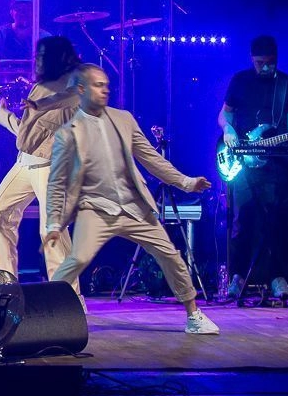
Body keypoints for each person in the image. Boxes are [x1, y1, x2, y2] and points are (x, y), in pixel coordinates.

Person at [43, 65, 219, 334]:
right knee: (77, 259)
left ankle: (193, 315)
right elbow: (56, 182)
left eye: (106, 85)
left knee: (170, 255)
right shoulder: (68, 133)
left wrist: (186, 182)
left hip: (134, 207)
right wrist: (54, 223)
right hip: (96, 208)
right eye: (98, 85)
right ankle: (45, 313)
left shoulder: (123, 119)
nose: (106, 90)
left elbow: (151, 159)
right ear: (81, 89)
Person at [0, 35, 83, 279]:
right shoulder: (44, 86)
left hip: (50, 167)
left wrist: (2, 116)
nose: (36, 60)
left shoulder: (67, 90)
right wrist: (4, 115)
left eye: (41, 56)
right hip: (27, 162)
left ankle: (67, 295)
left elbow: (30, 136)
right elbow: (29, 136)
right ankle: (3, 284)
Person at [220, 35, 288, 303]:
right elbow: (224, 114)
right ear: (252, 59)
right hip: (243, 163)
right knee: (242, 220)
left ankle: (277, 277)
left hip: (275, 164)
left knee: (279, 220)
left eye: (271, 62)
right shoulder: (240, 80)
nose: (266, 67)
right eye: (261, 63)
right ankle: (237, 277)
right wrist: (228, 129)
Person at [0, 0, 50, 76]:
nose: (23, 12)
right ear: (11, 12)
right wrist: (9, 69)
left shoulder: (45, 37)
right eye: (19, 8)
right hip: (4, 83)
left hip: (35, 84)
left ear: (34, 12)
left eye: (28, 9)